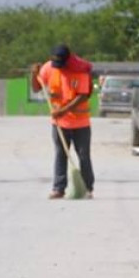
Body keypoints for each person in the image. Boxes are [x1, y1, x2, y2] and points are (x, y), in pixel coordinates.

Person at [31, 44, 95, 200]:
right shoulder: (49, 68)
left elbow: (83, 95)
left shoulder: (79, 69)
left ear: (68, 59)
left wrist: (63, 110)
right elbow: (36, 88)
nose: (59, 67)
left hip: (80, 123)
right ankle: (59, 188)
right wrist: (34, 74)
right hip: (59, 123)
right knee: (60, 154)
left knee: (83, 155)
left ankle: (87, 188)